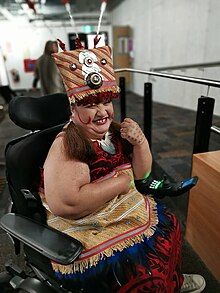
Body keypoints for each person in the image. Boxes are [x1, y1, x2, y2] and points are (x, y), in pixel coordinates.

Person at [38, 39, 206, 292]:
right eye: (90, 105)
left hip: (120, 205)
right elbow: (68, 204)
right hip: (87, 222)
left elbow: (144, 173)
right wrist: (119, 183)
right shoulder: (67, 145)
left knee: (170, 222)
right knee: (133, 266)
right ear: (73, 109)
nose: (102, 111)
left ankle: (173, 281)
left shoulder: (113, 133)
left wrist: (140, 144)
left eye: (106, 102)